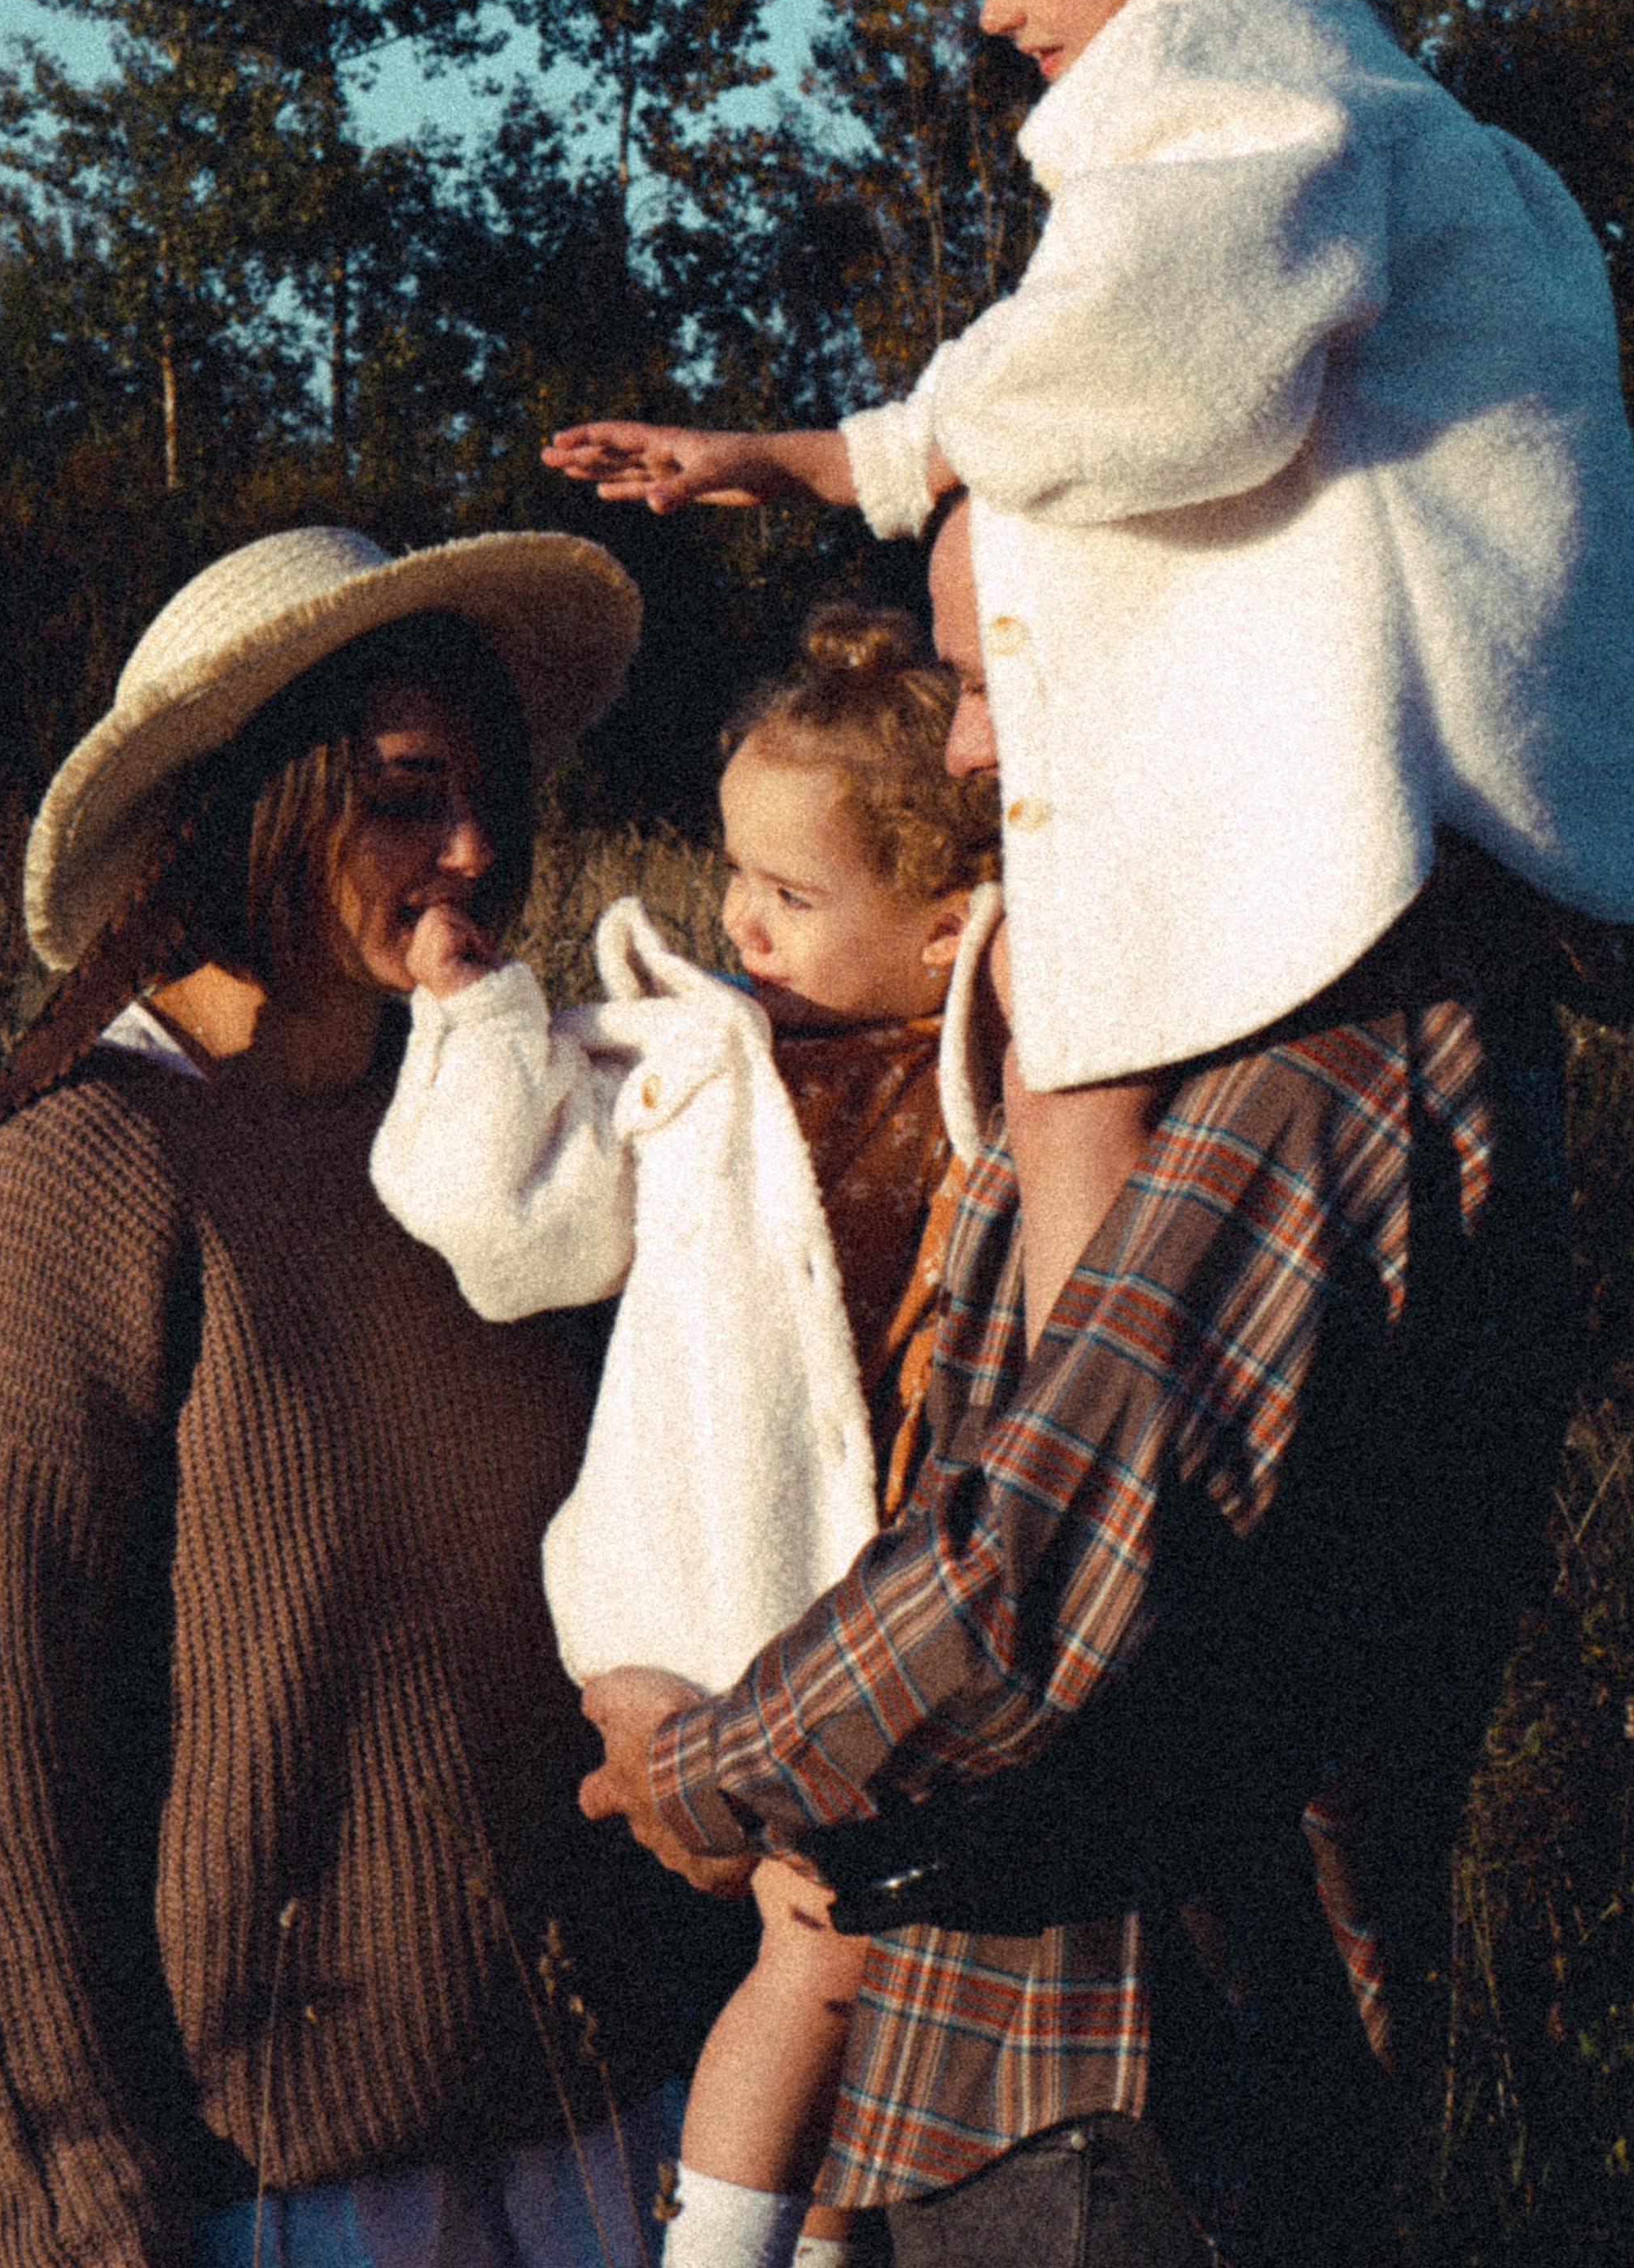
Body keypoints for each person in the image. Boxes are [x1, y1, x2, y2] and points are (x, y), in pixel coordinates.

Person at [576, 497, 1628, 2266]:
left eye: (1004, 676)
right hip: (989, 2070)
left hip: (1121, 2079)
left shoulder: (1320, 1051)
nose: (967, 742)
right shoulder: (1145, 1011)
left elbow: (1028, 1571)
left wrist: (700, 1774)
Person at [541, 0, 1634, 1161]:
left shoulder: (1255, 100)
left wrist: (853, 462)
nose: (996, 11)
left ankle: (1066, 1337)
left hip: (1362, 879)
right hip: (1437, 859)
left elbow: (1129, 373)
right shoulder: (1357, 107)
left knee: (1065, 1057)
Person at [0, 523, 743, 2268]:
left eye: (490, 789)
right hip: (260, 2192)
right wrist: (81, 2202)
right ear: (247, 797)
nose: (479, 848)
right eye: (407, 791)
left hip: (592, 2141)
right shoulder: (84, 1189)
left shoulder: (513, 1151)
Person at [370, 604, 1002, 2268]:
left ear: (950, 930)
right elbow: (514, 1234)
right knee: (825, 1951)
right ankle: (728, 2246)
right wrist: (478, 1020)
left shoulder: (990, 1066)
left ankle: (805, 2235)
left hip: (877, 1622)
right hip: (697, 1596)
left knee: (873, 1957)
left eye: (791, 897)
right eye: (732, 874)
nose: (740, 921)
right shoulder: (694, 1055)